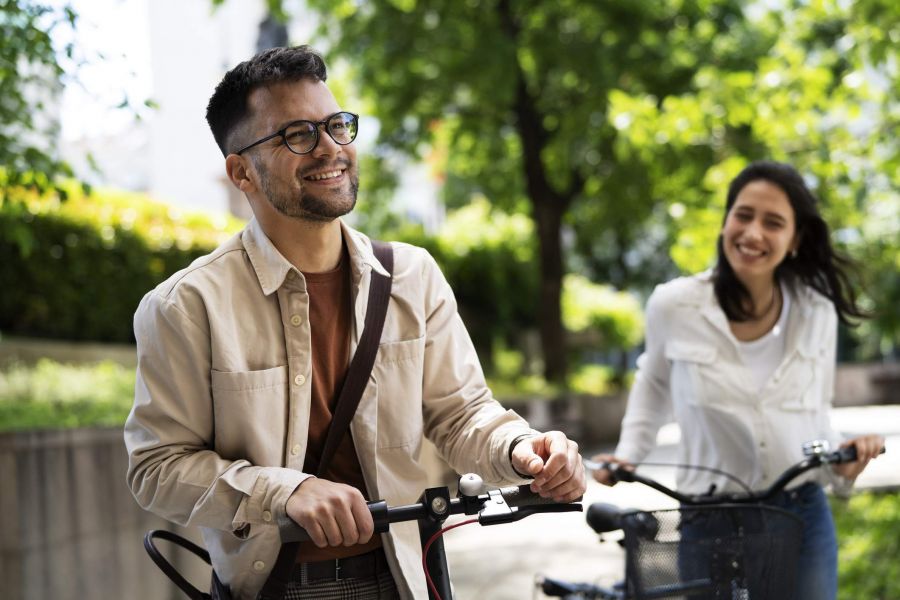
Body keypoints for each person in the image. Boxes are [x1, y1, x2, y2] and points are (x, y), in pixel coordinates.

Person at [124, 45, 585, 600]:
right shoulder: (185, 305)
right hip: (278, 587)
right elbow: (157, 466)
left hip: (412, 576)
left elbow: (460, 413)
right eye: (297, 135)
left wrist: (521, 448)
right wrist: (282, 492)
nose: (330, 149)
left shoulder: (412, 275)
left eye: (337, 126)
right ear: (240, 171)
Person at [591, 160, 884, 600]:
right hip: (708, 520)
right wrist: (629, 454)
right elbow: (653, 384)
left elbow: (814, 410)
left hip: (800, 513)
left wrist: (843, 463)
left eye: (773, 222)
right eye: (743, 215)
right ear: (725, 221)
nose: (752, 233)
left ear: (795, 239)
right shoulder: (674, 305)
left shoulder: (816, 310)